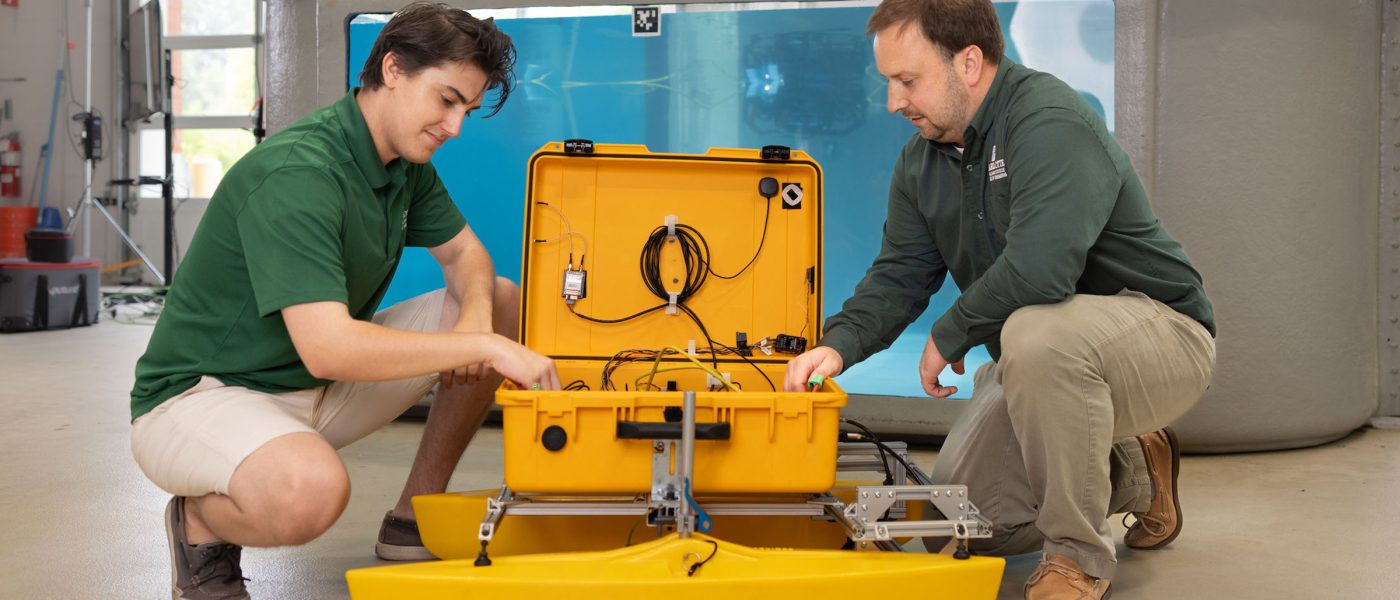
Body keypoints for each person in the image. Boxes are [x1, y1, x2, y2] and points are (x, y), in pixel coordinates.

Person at [783, 0, 1216, 597]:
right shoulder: (920, 162)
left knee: (1037, 335)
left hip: (1161, 335)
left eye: (907, 81)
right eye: (888, 83)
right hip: (1038, 363)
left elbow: (1043, 270)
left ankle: (1076, 559)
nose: (894, 102)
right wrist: (836, 348)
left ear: (967, 62)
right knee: (965, 518)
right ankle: (1134, 470)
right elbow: (900, 274)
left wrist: (948, 333)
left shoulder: (1050, 120)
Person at [128, 4, 561, 598]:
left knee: (501, 299)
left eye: (468, 108)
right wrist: (480, 345)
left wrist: (481, 324)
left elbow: (469, 259)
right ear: (392, 69)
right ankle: (197, 521)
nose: (455, 126)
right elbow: (328, 347)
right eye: (447, 100)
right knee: (310, 492)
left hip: (309, 388)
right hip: (202, 398)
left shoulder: (401, 164)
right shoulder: (298, 172)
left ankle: (415, 515)